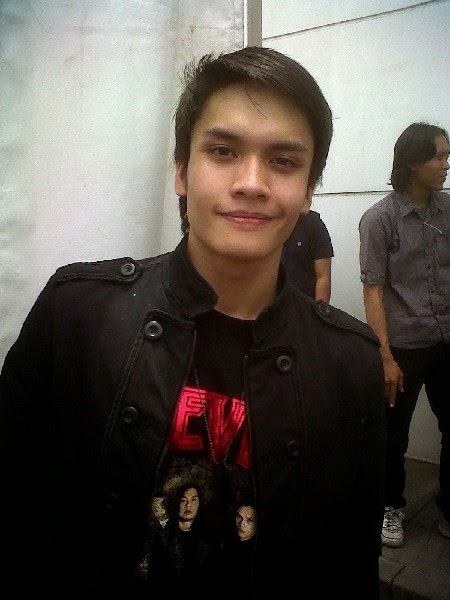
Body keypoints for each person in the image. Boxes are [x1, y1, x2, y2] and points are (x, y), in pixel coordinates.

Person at [0, 46, 386, 597]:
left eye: (283, 161)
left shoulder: (351, 363)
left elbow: (349, 563)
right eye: (223, 151)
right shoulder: (76, 317)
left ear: (308, 190)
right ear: (181, 171)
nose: (252, 182)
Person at [359, 121, 450, 548]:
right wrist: (385, 357)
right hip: (404, 344)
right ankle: (389, 506)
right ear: (413, 162)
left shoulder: (448, 211)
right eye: (439, 156)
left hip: (447, 338)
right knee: (393, 435)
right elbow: (373, 290)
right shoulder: (380, 219)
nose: (446, 165)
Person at [281, 209, 334, 301]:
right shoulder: (267, 221)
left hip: (305, 302)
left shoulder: (312, 223)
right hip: (268, 303)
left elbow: (323, 276)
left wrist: (320, 309)